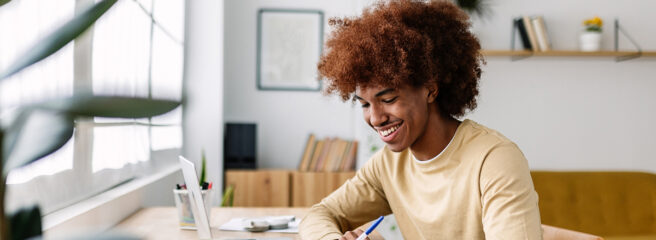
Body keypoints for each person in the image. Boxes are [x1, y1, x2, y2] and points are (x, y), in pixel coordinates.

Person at [299, 0, 542, 239]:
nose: (375, 118)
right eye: (364, 104)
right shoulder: (388, 165)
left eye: (388, 99)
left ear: (430, 90)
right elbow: (320, 214)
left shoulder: (494, 160)